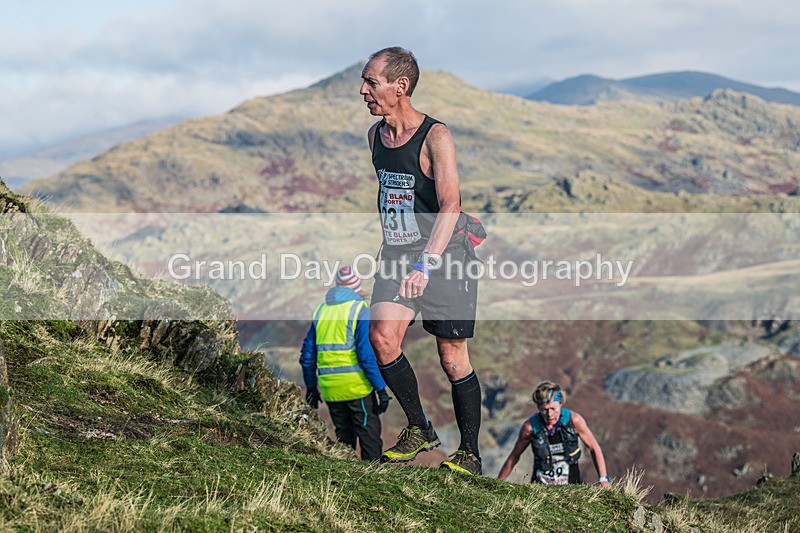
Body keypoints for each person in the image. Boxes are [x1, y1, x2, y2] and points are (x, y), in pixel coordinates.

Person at [360, 47, 482, 475]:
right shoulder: (375, 137)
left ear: (401, 87)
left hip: (444, 254)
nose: (363, 90)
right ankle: (420, 428)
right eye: (364, 81)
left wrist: (425, 264)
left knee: (452, 357)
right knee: (382, 338)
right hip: (398, 254)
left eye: (371, 82)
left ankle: (469, 453)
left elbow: (450, 205)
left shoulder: (435, 136)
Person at [300, 266, 391, 461]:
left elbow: (307, 354)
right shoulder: (359, 309)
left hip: (330, 390)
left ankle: (343, 485)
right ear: (357, 289)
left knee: (344, 442)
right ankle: (374, 485)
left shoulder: (321, 311)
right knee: (370, 440)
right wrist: (381, 389)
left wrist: (311, 387)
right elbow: (365, 355)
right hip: (357, 387)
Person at [498, 381, 611, 486]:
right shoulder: (530, 427)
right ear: (538, 407)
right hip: (540, 488)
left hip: (572, 486)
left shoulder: (574, 420)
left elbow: (594, 448)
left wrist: (603, 479)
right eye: (544, 409)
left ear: (561, 404)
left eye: (553, 408)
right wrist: (498, 483)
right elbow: (514, 456)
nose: (549, 414)